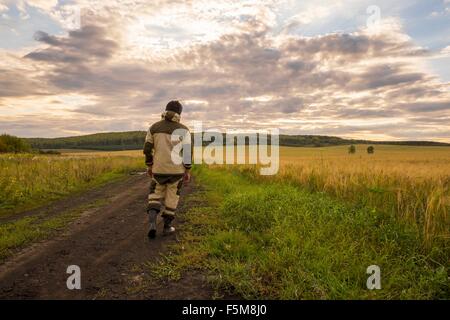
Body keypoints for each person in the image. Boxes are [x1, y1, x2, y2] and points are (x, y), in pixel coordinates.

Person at [143, 100, 191, 239]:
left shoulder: (154, 128)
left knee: (155, 196)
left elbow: (147, 149)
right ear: (179, 113)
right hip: (177, 171)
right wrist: (187, 170)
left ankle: (152, 224)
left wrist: (150, 165)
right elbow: (187, 152)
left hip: (158, 169)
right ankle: (167, 227)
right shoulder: (184, 130)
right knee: (172, 198)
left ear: (166, 110)